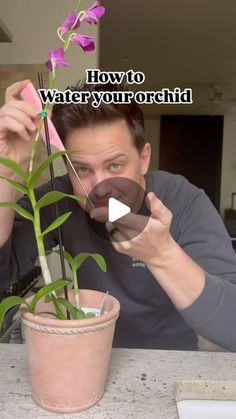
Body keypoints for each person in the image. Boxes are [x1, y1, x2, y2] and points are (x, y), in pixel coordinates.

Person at [0, 79, 236, 351]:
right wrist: (7, 170)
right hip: (89, 355)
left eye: (115, 165)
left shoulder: (184, 200)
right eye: (83, 170)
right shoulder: (59, 197)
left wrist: (163, 255)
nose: (100, 188)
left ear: (144, 158)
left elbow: (231, 326)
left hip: (171, 358)